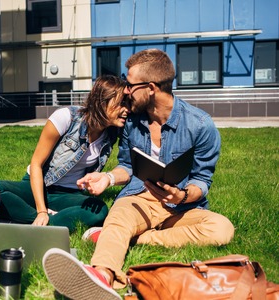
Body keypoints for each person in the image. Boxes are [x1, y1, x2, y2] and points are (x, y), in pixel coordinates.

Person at [42, 49, 235, 299]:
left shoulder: (200, 125)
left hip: (180, 207)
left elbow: (202, 179)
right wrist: (108, 178)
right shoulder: (132, 121)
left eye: (130, 84)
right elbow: (127, 165)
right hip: (138, 197)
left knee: (222, 228)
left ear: (151, 88)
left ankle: (129, 237)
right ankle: (102, 275)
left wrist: (182, 196)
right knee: (120, 216)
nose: (125, 90)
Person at [0, 75, 129, 232]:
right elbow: (36, 164)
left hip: (67, 193)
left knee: (99, 210)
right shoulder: (66, 117)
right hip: (38, 185)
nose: (126, 109)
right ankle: (46, 219)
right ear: (102, 102)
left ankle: (34, 221)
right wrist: (42, 211)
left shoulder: (112, 133)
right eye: (121, 103)